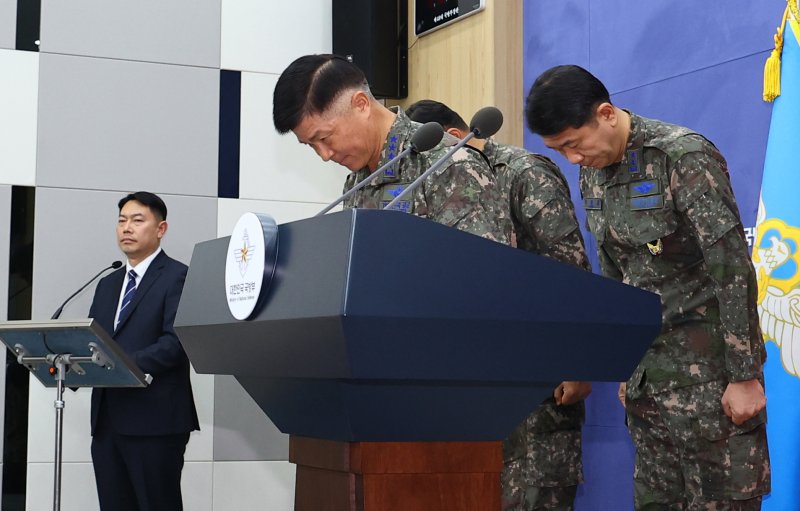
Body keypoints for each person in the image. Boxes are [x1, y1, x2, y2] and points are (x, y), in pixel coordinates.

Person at [525, 65, 770, 510]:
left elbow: (731, 269)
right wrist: (626, 363)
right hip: (649, 389)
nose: (572, 160)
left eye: (573, 144)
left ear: (605, 114)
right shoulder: (594, 172)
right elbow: (616, 275)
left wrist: (744, 375)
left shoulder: (682, 156)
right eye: (559, 151)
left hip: (711, 386)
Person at [407, 99, 592, 511]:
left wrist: (579, 361)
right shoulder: (430, 184)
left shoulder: (525, 173)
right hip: (471, 387)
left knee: (532, 498)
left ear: (455, 138)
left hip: (537, 386)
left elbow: (570, 272)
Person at [271, 54, 510, 244]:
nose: (324, 155)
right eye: (311, 146)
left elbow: (482, 274)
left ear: (361, 105)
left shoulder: (448, 164)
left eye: (324, 137)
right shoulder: (357, 181)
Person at [89, 191, 199, 511]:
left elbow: (176, 343)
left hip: (156, 421)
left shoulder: (178, 276)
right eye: (122, 220)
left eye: (138, 220)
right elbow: (97, 343)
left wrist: (120, 364)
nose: (127, 228)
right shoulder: (107, 284)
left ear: (161, 229)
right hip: (108, 422)